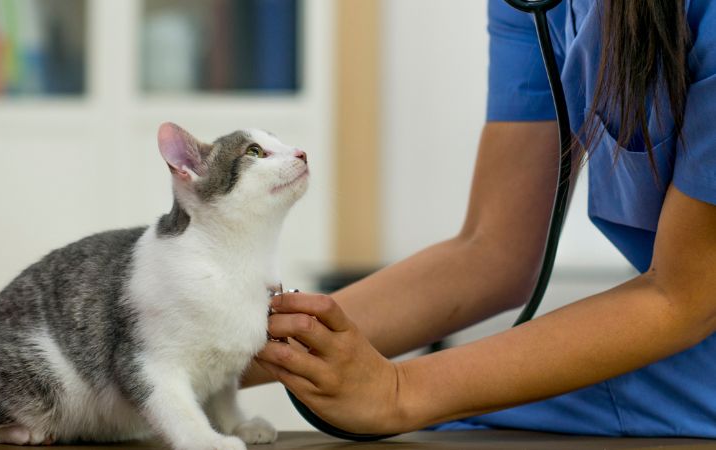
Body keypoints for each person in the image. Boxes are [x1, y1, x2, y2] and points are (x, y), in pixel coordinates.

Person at [249, 0, 716, 437]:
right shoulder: (534, 6)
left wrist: (397, 391)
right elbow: (491, 252)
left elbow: (684, 296)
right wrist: (216, 350)